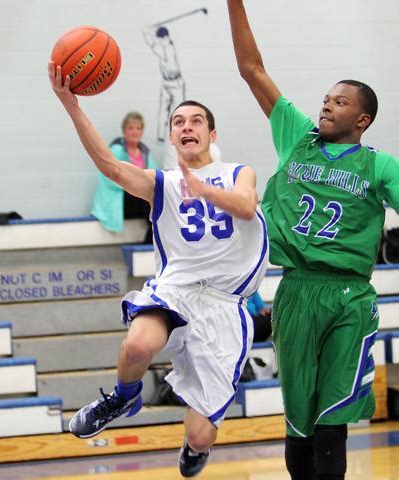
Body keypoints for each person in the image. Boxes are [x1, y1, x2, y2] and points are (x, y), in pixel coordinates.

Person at [48, 61, 268, 478]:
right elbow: (111, 168)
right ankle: (122, 397)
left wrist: (204, 189)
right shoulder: (161, 183)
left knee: (202, 435)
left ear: (212, 134)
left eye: (197, 120)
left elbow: (244, 205)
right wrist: (72, 105)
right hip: (175, 290)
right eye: (179, 121)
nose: (188, 126)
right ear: (171, 135)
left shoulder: (237, 172)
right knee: (136, 347)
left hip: (224, 308)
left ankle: (194, 444)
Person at [227, 1, 399, 479]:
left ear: (362, 120)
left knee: (331, 424)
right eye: (326, 98)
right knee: (299, 426)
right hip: (295, 291)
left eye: (340, 101)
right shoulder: (297, 138)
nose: (327, 104)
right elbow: (251, 69)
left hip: (347, 296)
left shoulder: (379, 165)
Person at [91, 111, 157, 243]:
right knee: (145, 199)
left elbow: (155, 177)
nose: (135, 132)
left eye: (138, 128)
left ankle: (151, 239)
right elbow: (110, 178)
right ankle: (149, 242)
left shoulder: (145, 152)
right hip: (119, 199)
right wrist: (136, 184)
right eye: (131, 128)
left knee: (157, 198)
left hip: (138, 198)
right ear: (124, 131)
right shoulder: (116, 150)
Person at [142, 24, 186, 144]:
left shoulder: (167, 50)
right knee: (163, 111)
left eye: (162, 40)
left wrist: (146, 31)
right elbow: (155, 42)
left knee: (179, 113)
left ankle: (181, 137)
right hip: (166, 83)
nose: (160, 42)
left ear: (166, 38)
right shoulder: (165, 45)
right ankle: (161, 137)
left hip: (176, 84)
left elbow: (152, 44)